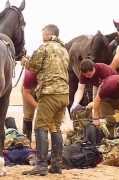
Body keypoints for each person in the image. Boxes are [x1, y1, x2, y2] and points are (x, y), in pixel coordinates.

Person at [22, 24, 69, 176]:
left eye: (43, 33)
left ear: (48, 34)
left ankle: (41, 165)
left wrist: (24, 61)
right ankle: (56, 165)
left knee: (40, 126)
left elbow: (33, 67)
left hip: (49, 94)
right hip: (64, 94)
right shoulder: (64, 50)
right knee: (55, 127)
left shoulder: (45, 47)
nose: (42, 36)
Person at [21, 69, 38, 142]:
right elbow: (26, 92)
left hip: (45, 87)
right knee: (28, 115)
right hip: (29, 86)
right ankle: (27, 142)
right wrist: (38, 107)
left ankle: (41, 144)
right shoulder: (30, 71)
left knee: (43, 117)